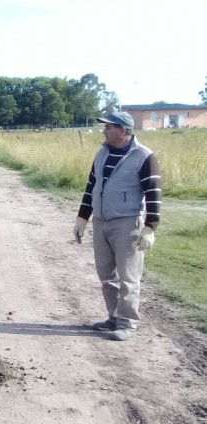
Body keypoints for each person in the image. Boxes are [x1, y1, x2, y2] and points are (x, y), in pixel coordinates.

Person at [73, 111, 162, 341]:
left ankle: (126, 323)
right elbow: (91, 186)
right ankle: (113, 317)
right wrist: (82, 217)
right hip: (101, 222)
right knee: (106, 275)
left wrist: (150, 227)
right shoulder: (102, 153)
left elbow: (153, 192)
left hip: (127, 223)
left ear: (122, 130)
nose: (104, 130)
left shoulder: (144, 156)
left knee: (128, 277)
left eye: (108, 127)